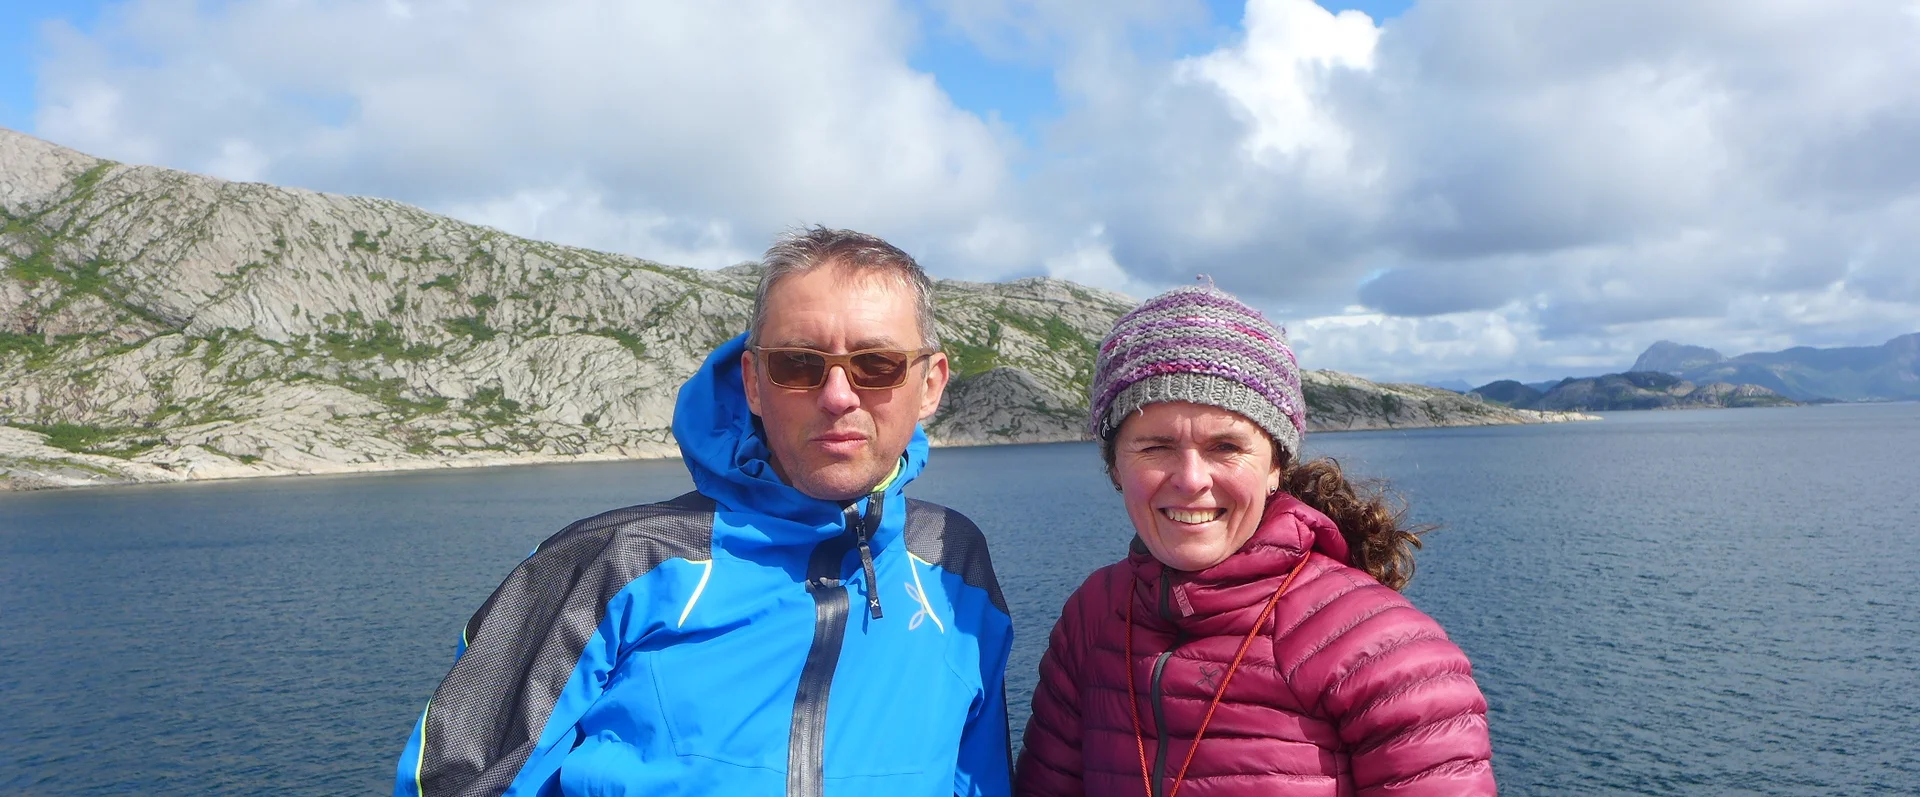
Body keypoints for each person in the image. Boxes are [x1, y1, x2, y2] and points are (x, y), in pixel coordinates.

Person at [395, 227, 1014, 797]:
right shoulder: (611, 564)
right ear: (753, 382)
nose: (836, 396)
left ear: (930, 384)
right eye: (797, 363)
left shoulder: (953, 562)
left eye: (876, 364)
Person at [1015, 285, 1496, 796]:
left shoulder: (1385, 652)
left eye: (1226, 446)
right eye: (1155, 447)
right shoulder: (1094, 615)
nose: (1191, 479)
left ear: (1275, 466)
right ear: (1115, 466)